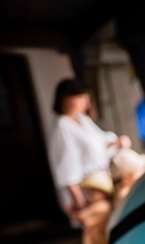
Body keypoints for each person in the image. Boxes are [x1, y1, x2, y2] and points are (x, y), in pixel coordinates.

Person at [47, 78, 130, 217]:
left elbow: (100, 142)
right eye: (81, 98)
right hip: (90, 189)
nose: (86, 104)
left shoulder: (82, 120)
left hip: (103, 180)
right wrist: (78, 199)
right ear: (67, 98)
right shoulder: (63, 125)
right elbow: (66, 164)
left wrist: (117, 142)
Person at [74, 171, 114, 244]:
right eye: (87, 192)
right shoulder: (93, 206)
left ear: (104, 192)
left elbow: (80, 218)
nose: (88, 195)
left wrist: (70, 212)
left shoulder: (102, 207)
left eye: (92, 192)